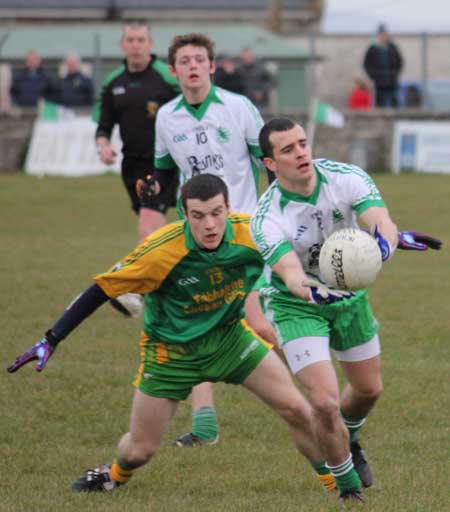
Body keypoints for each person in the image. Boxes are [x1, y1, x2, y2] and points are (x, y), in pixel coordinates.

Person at [8, 174, 332, 498]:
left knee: (298, 411)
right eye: (198, 216)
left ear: (229, 208)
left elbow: (298, 251)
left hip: (230, 340)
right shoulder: (161, 250)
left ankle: (338, 488)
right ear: (184, 214)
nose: (209, 225)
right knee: (140, 449)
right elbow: (101, 289)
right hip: (171, 354)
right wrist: (51, 339)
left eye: (217, 213)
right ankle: (115, 474)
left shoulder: (252, 233)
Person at [250, 117, 442, 501]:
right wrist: (312, 293)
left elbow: (380, 221)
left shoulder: (345, 177)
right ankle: (348, 489)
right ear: (270, 164)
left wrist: (385, 246)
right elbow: (289, 273)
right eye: (287, 149)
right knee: (324, 401)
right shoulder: (267, 217)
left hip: (350, 296)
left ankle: (349, 439)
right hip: (297, 305)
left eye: (302, 143)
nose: (301, 152)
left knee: (369, 389)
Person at [145, 32, 276, 448]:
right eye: (185, 61)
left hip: (243, 234)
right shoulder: (166, 116)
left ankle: (319, 395)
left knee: (258, 324)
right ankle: (205, 425)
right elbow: (166, 175)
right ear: (174, 70)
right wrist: (154, 192)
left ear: (213, 66)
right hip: (197, 236)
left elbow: (268, 163)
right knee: (195, 327)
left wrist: (278, 211)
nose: (193, 67)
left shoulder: (238, 108)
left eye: (200, 59)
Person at [93, 20, 179, 318]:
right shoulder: (113, 82)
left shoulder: (167, 79)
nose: (136, 44)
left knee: (147, 228)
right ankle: (168, 285)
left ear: (150, 43)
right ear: (122, 45)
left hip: (165, 165)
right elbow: (103, 126)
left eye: (141, 39)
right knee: (157, 230)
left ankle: (136, 291)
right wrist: (103, 145)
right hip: (132, 164)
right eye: (130, 39)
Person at [363, 24, 403, 108]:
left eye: (385, 34)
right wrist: (374, 76)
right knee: (380, 104)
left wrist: (394, 74)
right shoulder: (373, 49)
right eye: (381, 34)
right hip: (379, 82)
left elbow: (399, 62)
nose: (383, 36)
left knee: (394, 103)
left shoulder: (392, 48)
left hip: (392, 81)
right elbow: (366, 64)